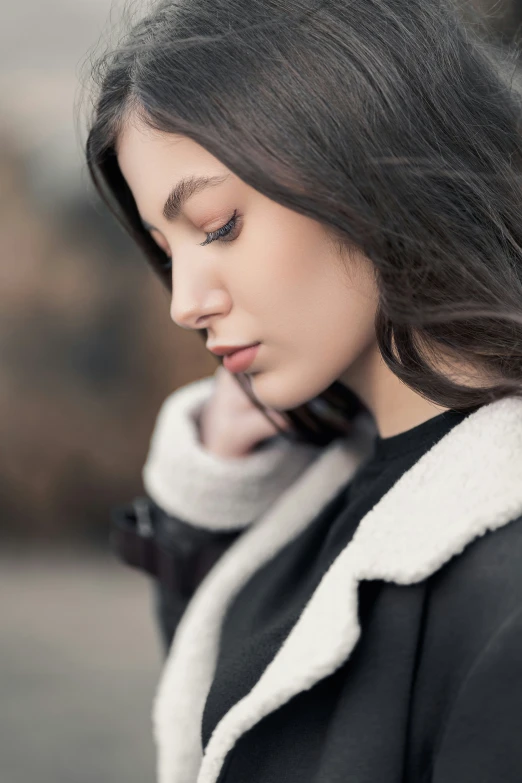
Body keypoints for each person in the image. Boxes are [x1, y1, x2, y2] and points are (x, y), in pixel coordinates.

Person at [85, 0, 522, 780]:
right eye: (166, 248)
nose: (185, 303)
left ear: (368, 159)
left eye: (217, 225)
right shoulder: (316, 494)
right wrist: (205, 516)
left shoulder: (503, 581)